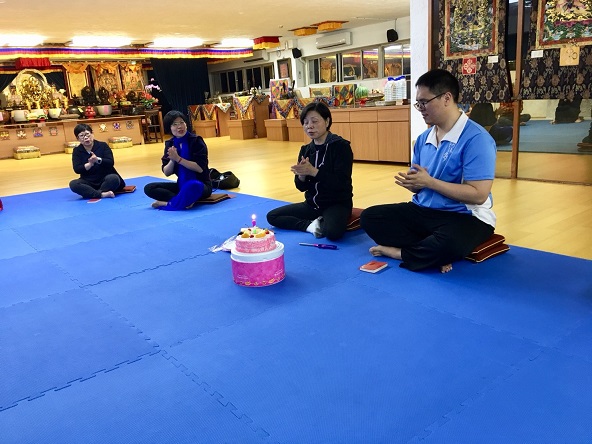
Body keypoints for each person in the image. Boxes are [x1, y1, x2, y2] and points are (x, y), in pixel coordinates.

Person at [360, 68, 497, 273]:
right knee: (370, 218)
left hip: (464, 216)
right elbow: (420, 184)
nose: (420, 109)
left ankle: (400, 253)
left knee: (448, 242)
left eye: (424, 102)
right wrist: (414, 184)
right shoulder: (424, 139)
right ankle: (428, 252)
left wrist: (429, 182)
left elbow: (479, 195)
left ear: (447, 98)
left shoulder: (477, 139)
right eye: (418, 103)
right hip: (424, 211)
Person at [266, 101, 353, 241]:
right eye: (305, 123)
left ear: (327, 121)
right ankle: (310, 226)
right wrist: (301, 176)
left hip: (336, 204)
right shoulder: (305, 150)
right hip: (312, 205)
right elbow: (301, 187)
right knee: (272, 216)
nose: (309, 126)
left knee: (332, 233)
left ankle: (320, 222)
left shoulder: (341, 147)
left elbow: (341, 183)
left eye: (314, 121)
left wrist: (313, 172)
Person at [144, 110, 212, 210]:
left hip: (200, 184)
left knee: (192, 185)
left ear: (186, 124)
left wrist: (178, 159)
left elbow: (200, 168)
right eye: (175, 124)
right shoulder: (170, 144)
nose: (179, 126)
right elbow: (167, 172)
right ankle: (185, 200)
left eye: (182, 122)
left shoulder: (196, 141)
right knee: (149, 188)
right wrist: (172, 160)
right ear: (170, 128)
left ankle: (169, 203)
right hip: (181, 185)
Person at [69, 123, 125, 199]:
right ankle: (102, 194)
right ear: (77, 139)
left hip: (105, 178)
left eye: (87, 134)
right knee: (73, 184)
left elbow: (110, 162)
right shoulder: (77, 150)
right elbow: (77, 169)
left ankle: (93, 193)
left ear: (92, 134)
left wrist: (97, 159)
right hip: (89, 181)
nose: (86, 137)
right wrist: (89, 164)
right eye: (81, 136)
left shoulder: (103, 145)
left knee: (114, 178)